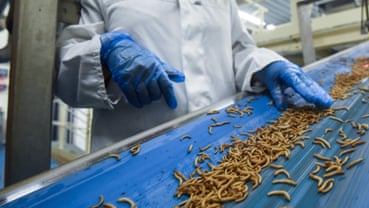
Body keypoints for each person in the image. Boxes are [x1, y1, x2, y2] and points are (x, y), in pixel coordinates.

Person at [55, 0, 333, 152]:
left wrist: (266, 65)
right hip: (137, 158)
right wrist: (106, 53)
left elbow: (238, 49)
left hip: (227, 146)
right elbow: (65, 70)